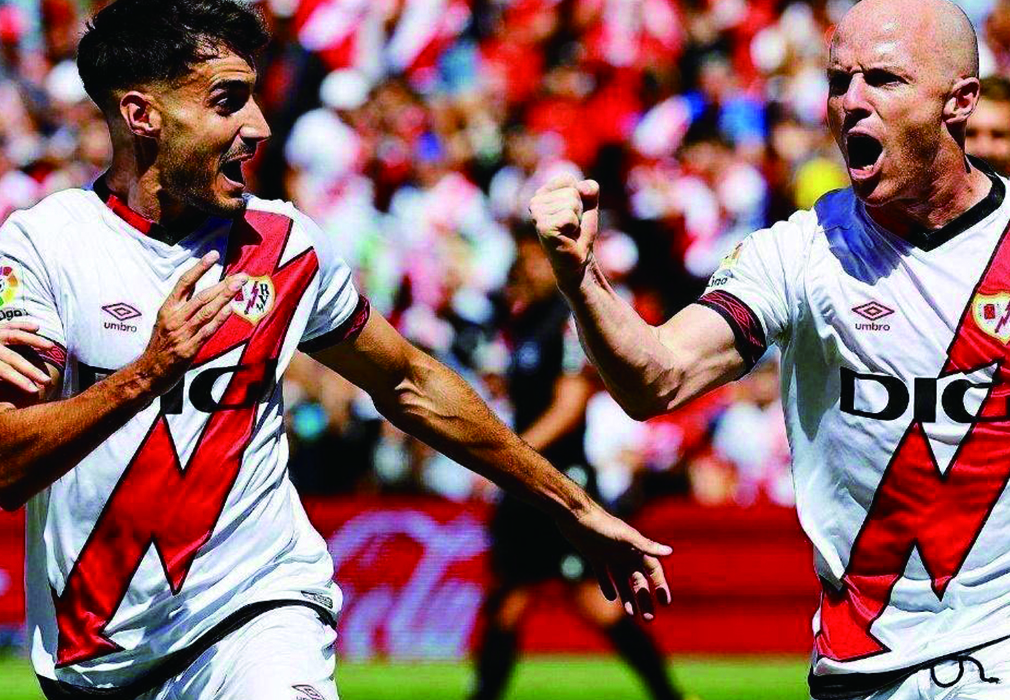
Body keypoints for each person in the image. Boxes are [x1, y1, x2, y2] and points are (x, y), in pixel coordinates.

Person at [0, 1, 672, 698]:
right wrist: (144, 376)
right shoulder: (45, 247)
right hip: (94, 659)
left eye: (254, 97)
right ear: (142, 115)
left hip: (259, 616)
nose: (259, 127)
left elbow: (410, 382)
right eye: (227, 102)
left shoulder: (284, 246)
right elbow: (7, 466)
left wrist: (574, 509)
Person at [531, 0, 1010, 698]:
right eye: (840, 81)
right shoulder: (799, 254)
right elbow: (655, 380)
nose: (852, 102)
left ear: (958, 101)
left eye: (884, 79)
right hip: (862, 661)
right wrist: (581, 278)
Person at [471, 232, 686, 700]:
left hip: (561, 480)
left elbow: (569, 406)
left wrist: (505, 453)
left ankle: (669, 694)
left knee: (592, 601)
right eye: (523, 261)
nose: (527, 270)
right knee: (508, 599)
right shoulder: (522, 324)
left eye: (535, 261)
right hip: (525, 481)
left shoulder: (566, 322)